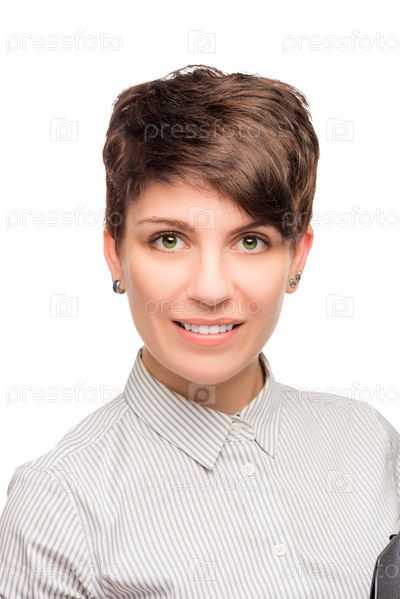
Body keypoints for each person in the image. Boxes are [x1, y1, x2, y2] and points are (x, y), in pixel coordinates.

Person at [0, 64, 399, 599]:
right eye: (169, 239)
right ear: (115, 254)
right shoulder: (58, 505)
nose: (211, 290)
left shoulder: (371, 442)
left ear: (297, 257)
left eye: (251, 241)